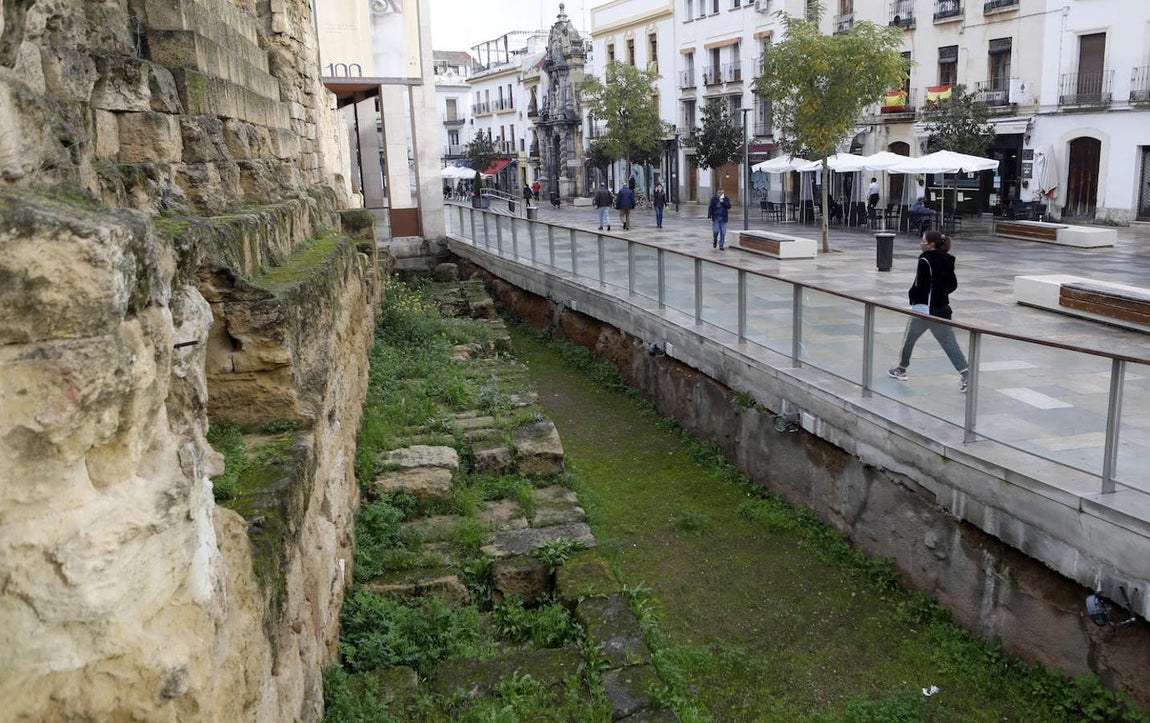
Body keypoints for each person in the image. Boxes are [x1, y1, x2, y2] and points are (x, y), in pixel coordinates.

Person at [888, 230, 969, 393]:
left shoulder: (925, 259)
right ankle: (966, 375)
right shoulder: (948, 259)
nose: (921, 242)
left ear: (931, 243)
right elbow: (953, 284)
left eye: (923, 240)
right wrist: (941, 294)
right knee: (949, 343)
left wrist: (913, 297)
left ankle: (901, 369)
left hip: (925, 309)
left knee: (909, 339)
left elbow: (921, 285)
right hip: (943, 308)